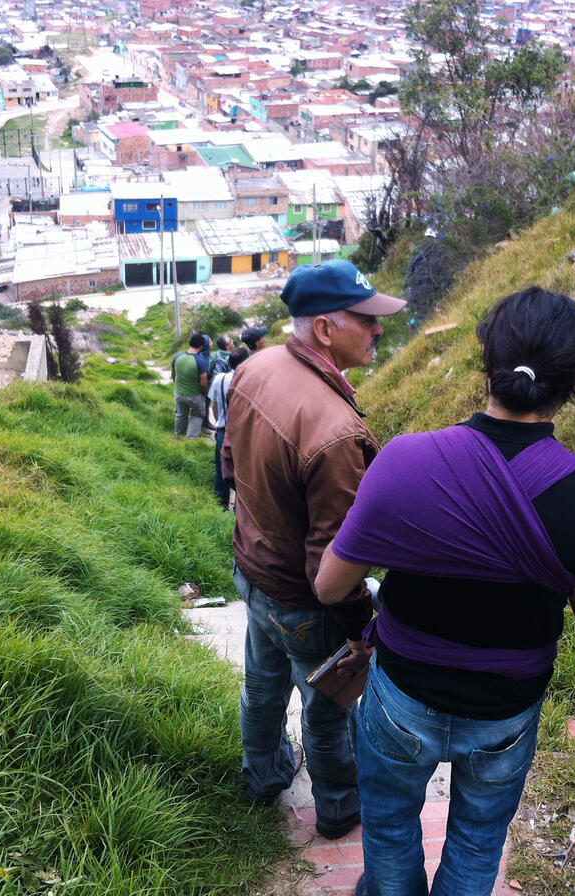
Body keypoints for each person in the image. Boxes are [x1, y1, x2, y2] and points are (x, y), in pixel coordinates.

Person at [316, 287, 575, 896]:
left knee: (387, 829)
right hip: (506, 711)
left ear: (486, 360)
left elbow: (332, 586)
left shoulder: (405, 462)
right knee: (478, 841)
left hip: (403, 693)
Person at [221, 260, 406, 840]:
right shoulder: (334, 430)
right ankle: (339, 810)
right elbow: (332, 561)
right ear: (325, 329)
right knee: (327, 709)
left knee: (261, 685)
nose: (379, 329)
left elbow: (228, 462)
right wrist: (358, 629)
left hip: (251, 570)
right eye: (366, 319)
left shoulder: (254, 368)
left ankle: (264, 775)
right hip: (301, 600)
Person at [208, 346, 249, 509]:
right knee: (244, 473)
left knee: (221, 471)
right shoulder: (251, 380)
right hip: (245, 434)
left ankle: (220, 505)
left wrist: (219, 423)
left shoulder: (220, 379)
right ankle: (240, 509)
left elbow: (214, 406)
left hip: (223, 431)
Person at [170, 334, 209, 438]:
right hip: (194, 395)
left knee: (181, 414)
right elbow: (204, 382)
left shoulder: (178, 356)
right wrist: (205, 393)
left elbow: (173, 374)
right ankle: (191, 439)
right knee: (197, 415)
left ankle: (179, 436)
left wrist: (177, 385)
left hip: (179, 393)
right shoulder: (200, 361)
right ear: (201, 346)